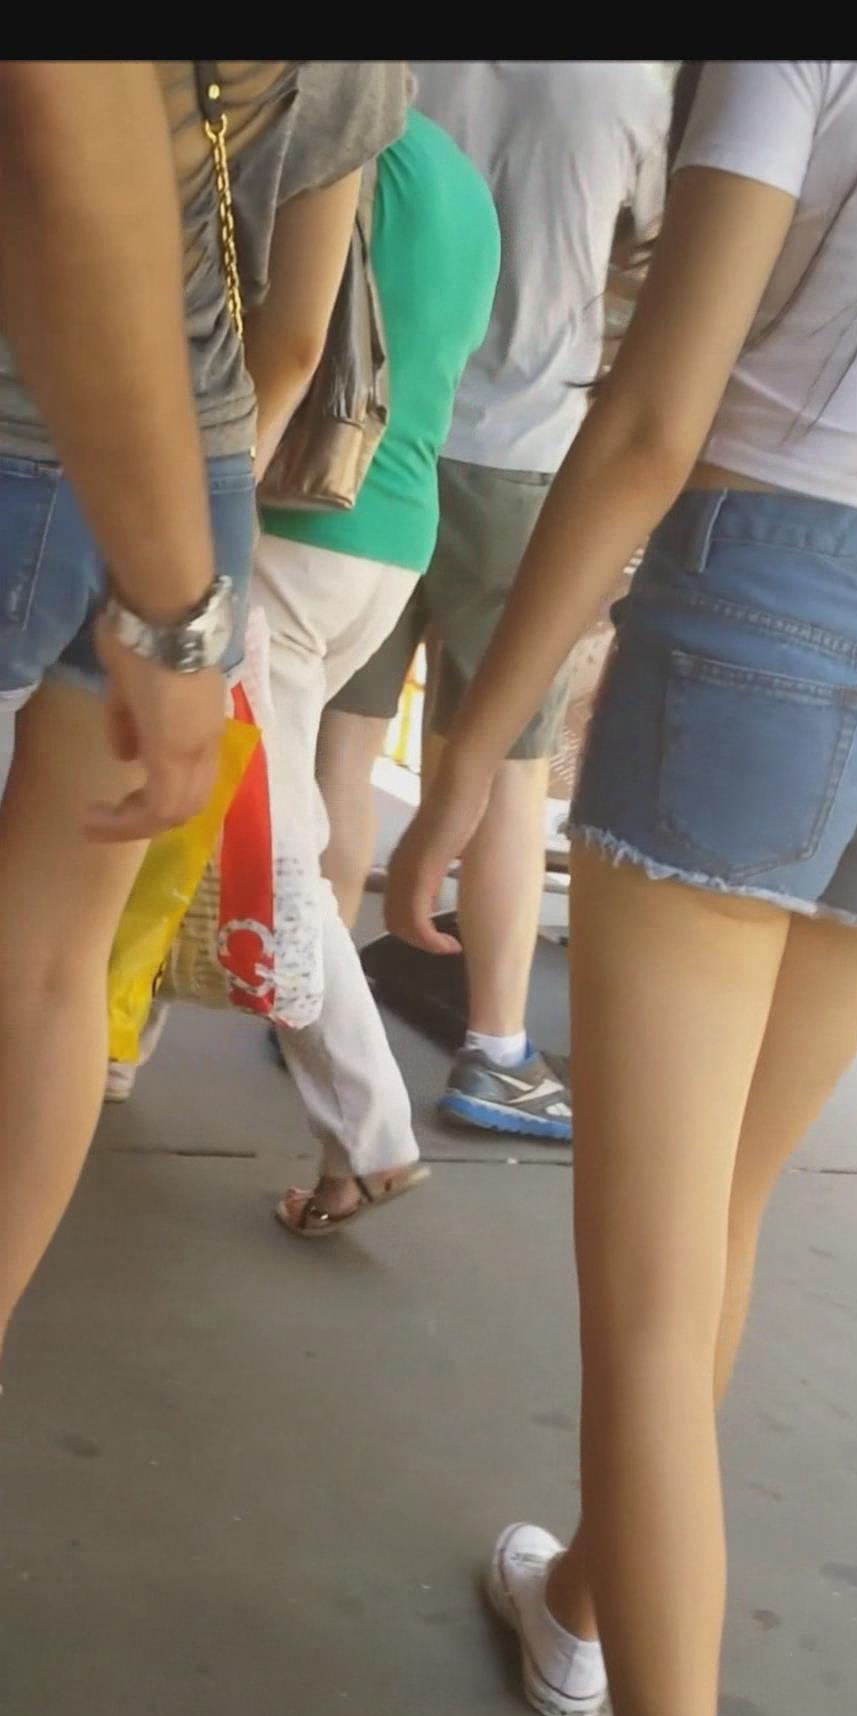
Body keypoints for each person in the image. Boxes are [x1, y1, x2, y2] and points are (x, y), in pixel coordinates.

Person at [387, 61, 857, 1716]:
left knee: (647, 1293)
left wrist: (477, 743)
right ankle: (581, 1606)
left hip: (758, 620)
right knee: (722, 1218)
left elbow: (649, 424)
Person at [0, 60, 405, 1355]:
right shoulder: (365, 64)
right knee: (54, 967)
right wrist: (189, 545)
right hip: (193, 468)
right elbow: (295, 338)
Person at [327, 61, 670, 1143]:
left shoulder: (408, 58)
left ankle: (313, 1011)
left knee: (339, 742)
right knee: (511, 771)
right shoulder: (630, 85)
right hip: (529, 462)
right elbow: (664, 261)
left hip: (373, 432)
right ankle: (496, 1048)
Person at [250, 103, 501, 1235]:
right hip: (393, 533)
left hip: (293, 521)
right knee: (240, 809)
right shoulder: (462, 184)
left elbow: (293, 346)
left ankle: (372, 1133)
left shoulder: (325, 139)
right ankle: (115, 1042)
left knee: (273, 847)